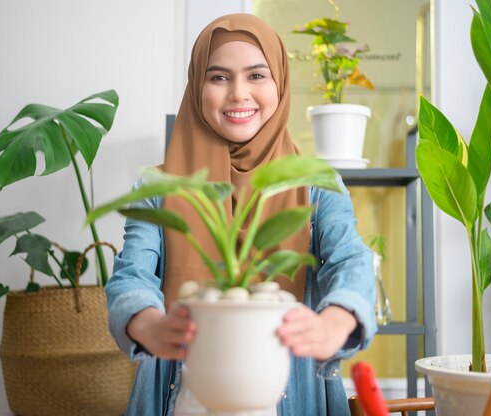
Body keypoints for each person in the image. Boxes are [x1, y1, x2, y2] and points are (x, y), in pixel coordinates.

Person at [106, 13, 377, 416]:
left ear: (280, 83)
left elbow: (350, 261)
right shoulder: (159, 185)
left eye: (256, 76)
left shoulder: (316, 184)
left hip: (293, 394)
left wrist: (333, 323)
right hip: (179, 392)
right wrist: (150, 325)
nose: (238, 93)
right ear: (197, 86)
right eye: (218, 77)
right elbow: (132, 274)